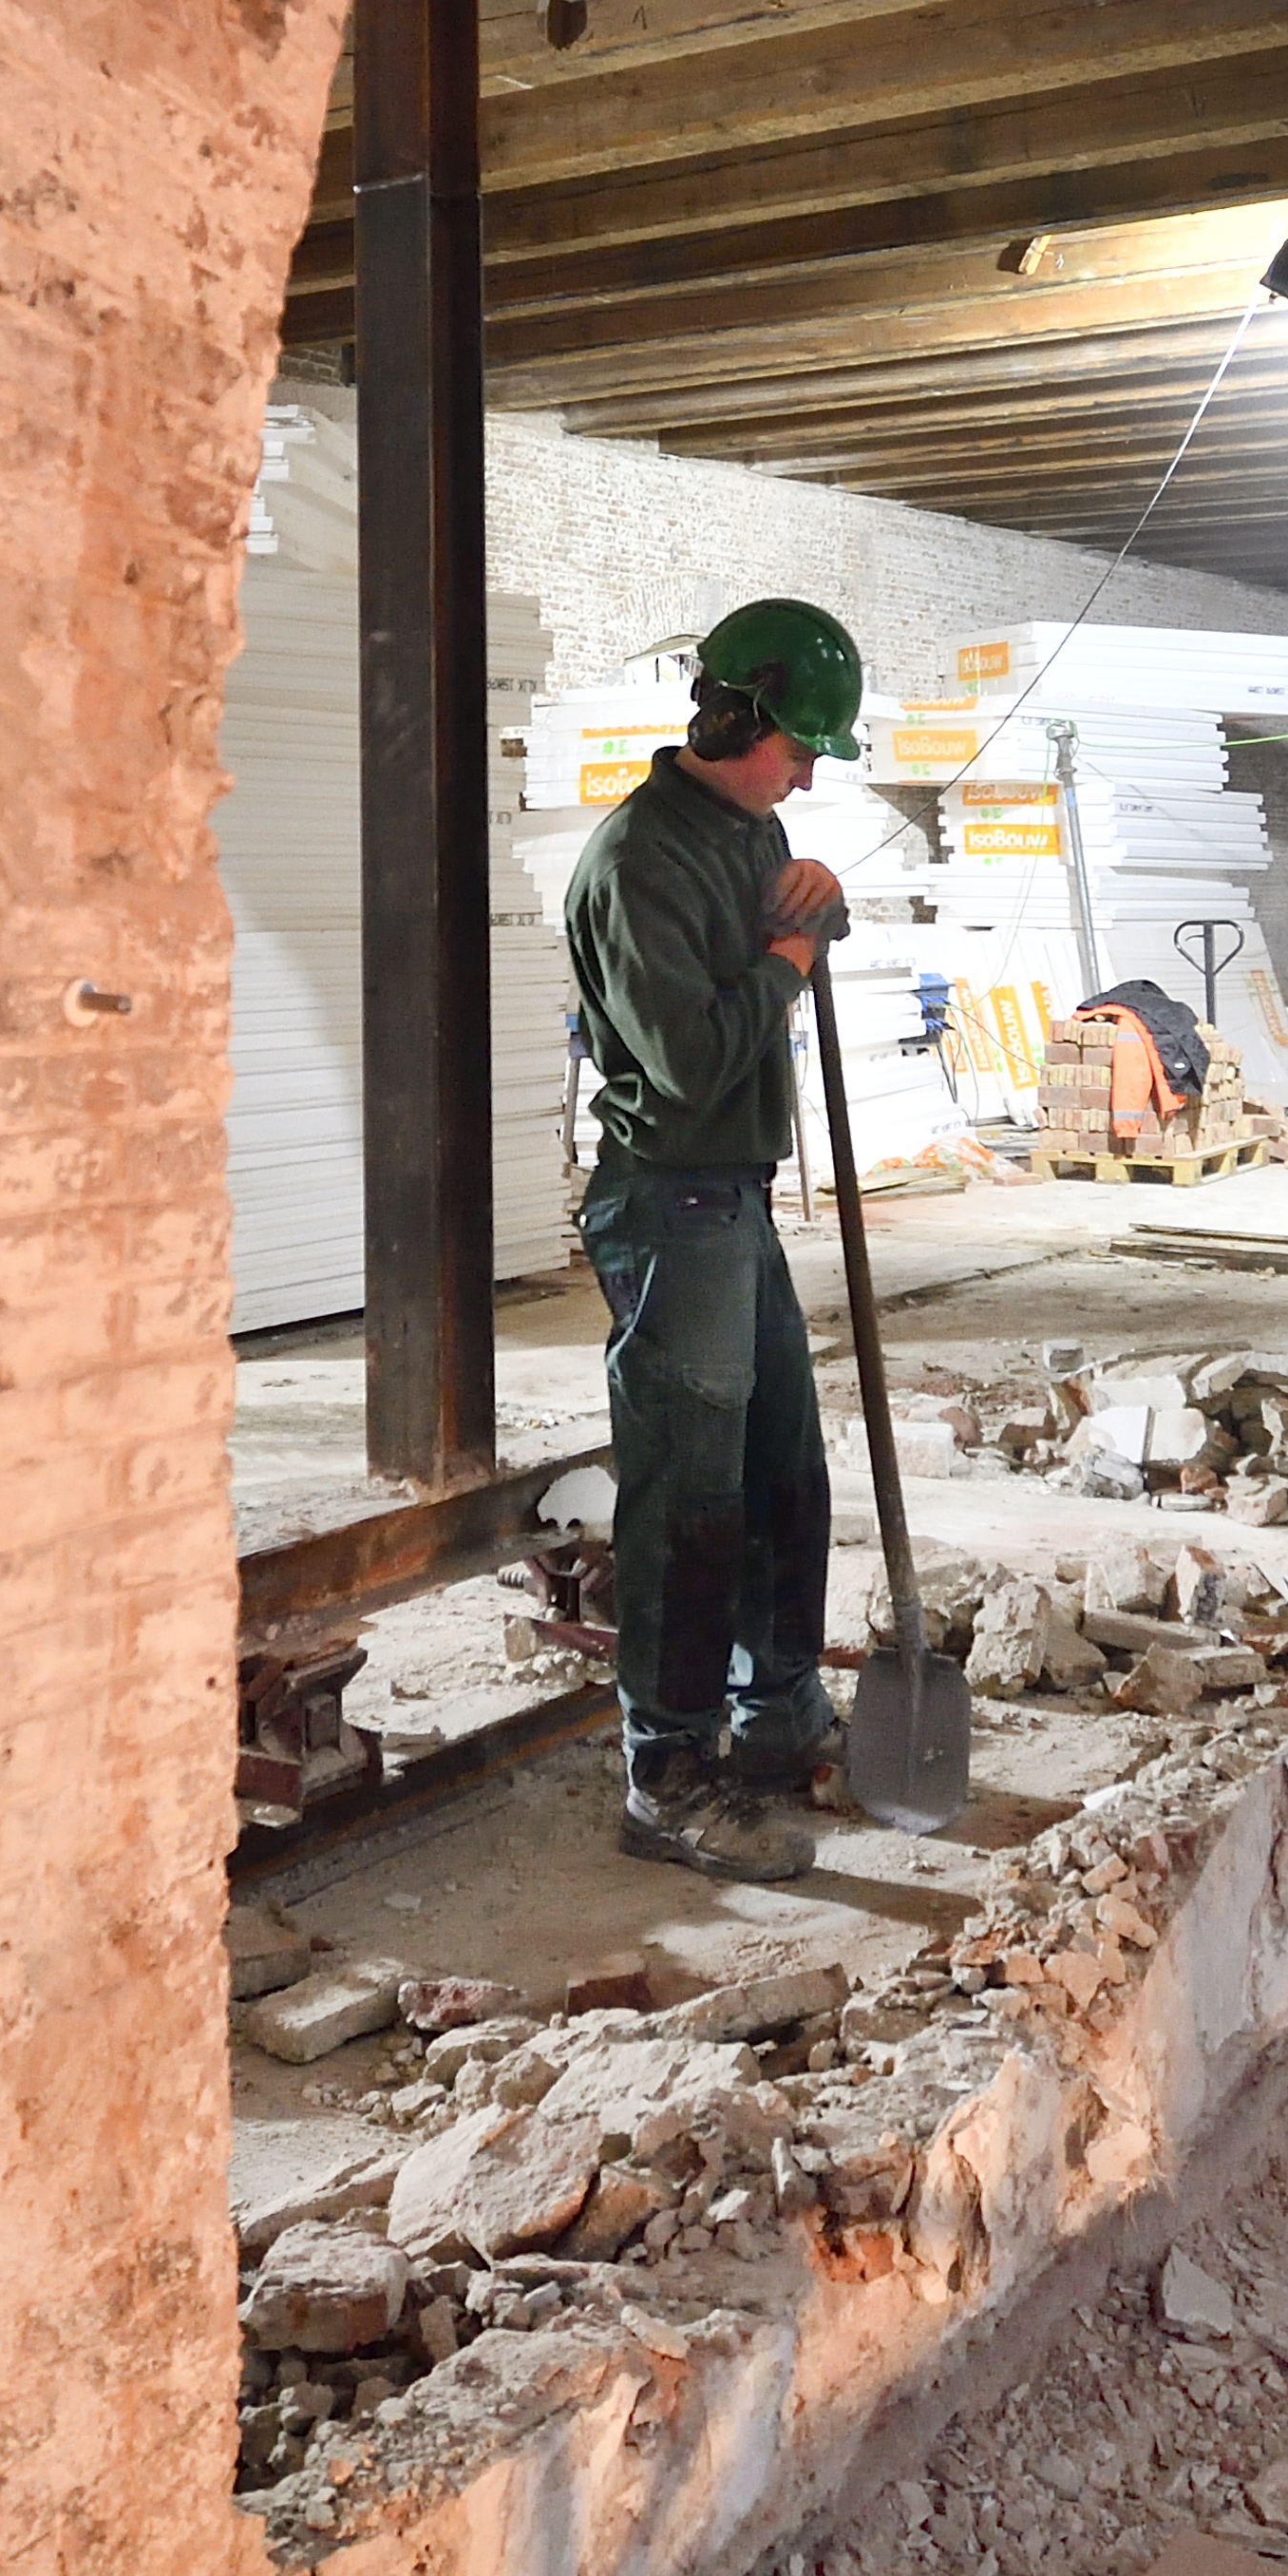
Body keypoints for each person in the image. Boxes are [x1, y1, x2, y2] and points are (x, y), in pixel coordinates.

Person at [559, 598, 870, 1884]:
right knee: (691, 1496)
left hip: (735, 1196)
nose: (807, 771)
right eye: (799, 743)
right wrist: (794, 949)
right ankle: (668, 1770)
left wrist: (821, 907)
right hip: (670, 1193)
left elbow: (793, 928)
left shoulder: (755, 829)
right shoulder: (637, 862)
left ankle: (778, 1714)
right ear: (737, 717)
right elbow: (690, 1059)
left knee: (784, 1469)